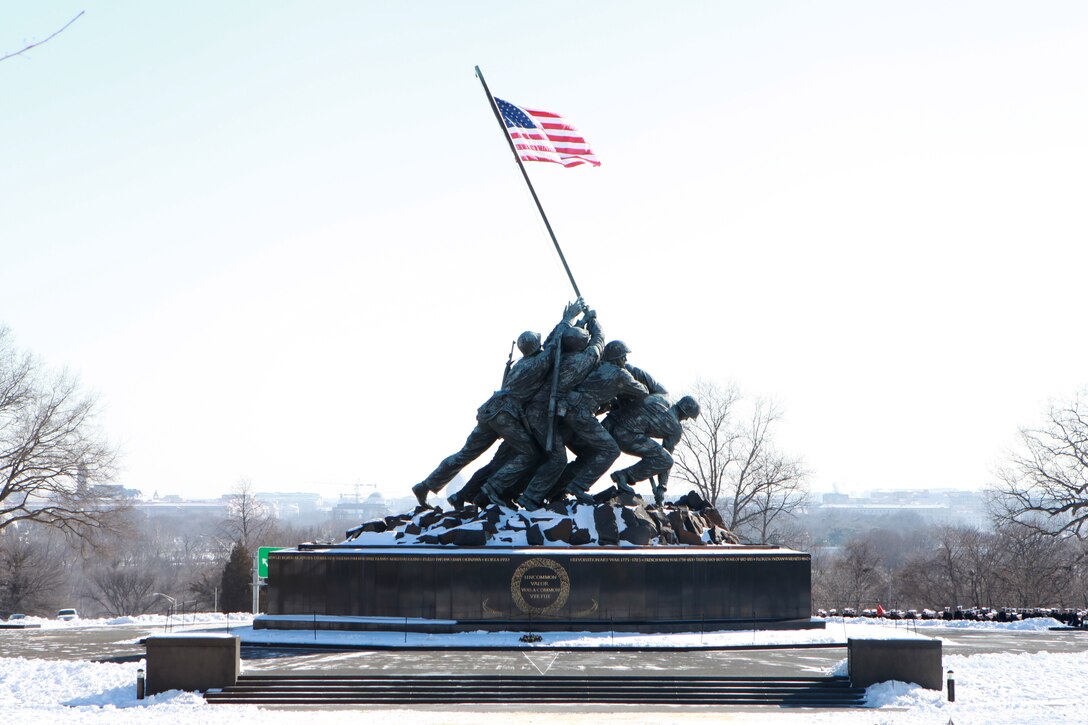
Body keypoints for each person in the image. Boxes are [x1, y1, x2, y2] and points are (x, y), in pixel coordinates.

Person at [411, 301, 583, 506]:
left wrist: (566, 320)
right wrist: (567, 318)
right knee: (530, 454)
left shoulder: (523, 361)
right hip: (506, 415)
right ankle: (492, 488)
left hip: (490, 410)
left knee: (465, 454)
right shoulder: (539, 363)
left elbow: (549, 343)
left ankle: (426, 485)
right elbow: (554, 344)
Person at [604, 394, 700, 505]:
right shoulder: (675, 428)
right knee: (666, 460)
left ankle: (623, 476)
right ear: (686, 413)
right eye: (688, 416)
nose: (687, 419)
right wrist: (661, 487)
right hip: (626, 436)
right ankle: (624, 476)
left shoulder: (661, 399)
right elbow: (666, 459)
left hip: (614, 424)